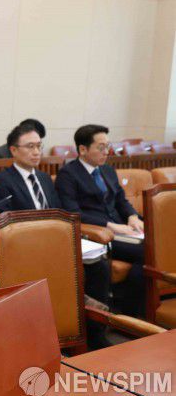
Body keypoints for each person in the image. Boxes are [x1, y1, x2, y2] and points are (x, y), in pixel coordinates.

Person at [0, 123, 112, 348]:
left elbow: (59, 214)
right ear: (14, 150)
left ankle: (94, 332)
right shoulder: (3, 181)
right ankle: (70, 319)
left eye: (39, 146)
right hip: (26, 247)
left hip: (56, 243)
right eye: (30, 146)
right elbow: (9, 223)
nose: (36, 152)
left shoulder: (45, 178)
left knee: (99, 267)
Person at [55, 124, 145, 316]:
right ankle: (129, 315)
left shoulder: (107, 170)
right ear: (83, 149)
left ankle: (131, 308)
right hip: (98, 234)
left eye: (108, 146)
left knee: (156, 247)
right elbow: (73, 212)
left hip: (122, 229)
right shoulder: (68, 175)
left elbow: (120, 199)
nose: (107, 152)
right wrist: (112, 226)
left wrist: (132, 216)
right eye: (101, 147)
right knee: (147, 251)